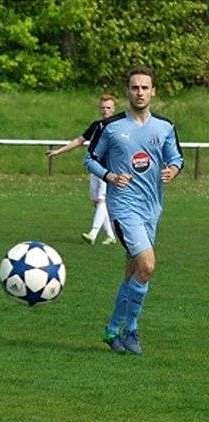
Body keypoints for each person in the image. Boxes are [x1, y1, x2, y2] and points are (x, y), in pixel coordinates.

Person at [84, 66, 183, 356]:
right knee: (148, 266)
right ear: (127, 91)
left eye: (144, 87)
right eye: (134, 87)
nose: (139, 92)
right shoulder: (111, 127)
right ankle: (130, 328)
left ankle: (113, 330)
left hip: (152, 208)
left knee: (133, 272)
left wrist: (172, 171)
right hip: (122, 207)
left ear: (153, 92)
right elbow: (89, 160)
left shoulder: (164, 127)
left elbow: (176, 158)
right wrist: (109, 176)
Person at [46, 94, 119, 245]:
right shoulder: (96, 126)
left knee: (102, 201)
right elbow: (79, 140)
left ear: (114, 109)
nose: (105, 110)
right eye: (103, 107)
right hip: (95, 168)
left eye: (108, 108)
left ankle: (93, 233)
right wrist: (59, 151)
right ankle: (111, 236)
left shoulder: (119, 126)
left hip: (110, 170)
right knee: (97, 202)